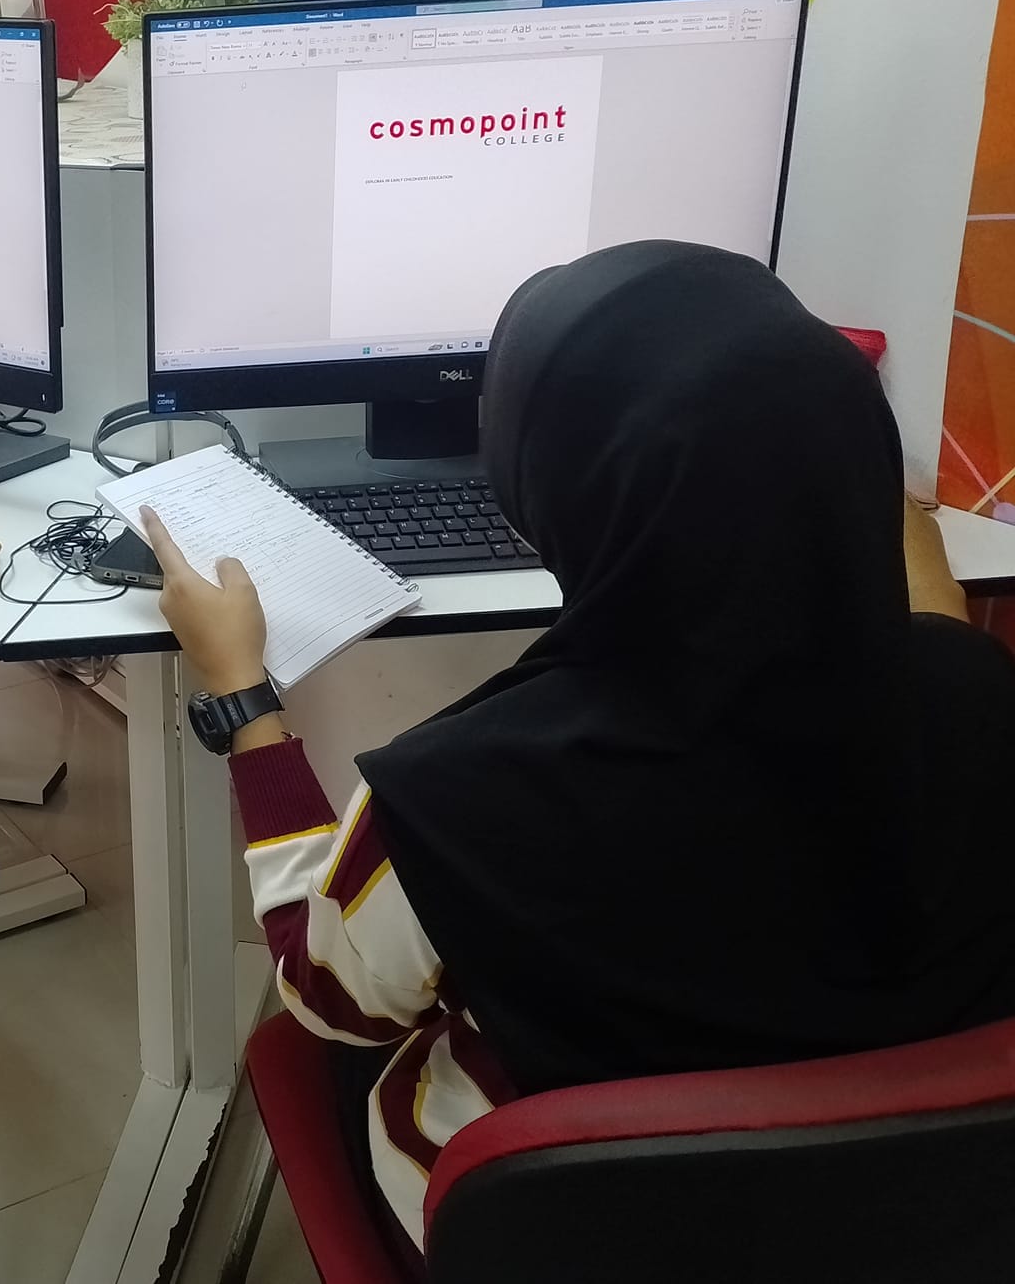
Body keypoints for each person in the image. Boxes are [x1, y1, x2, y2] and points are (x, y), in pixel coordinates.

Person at [143, 240, 1015, 1269]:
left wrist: (243, 696)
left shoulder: (455, 797)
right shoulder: (977, 697)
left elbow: (329, 996)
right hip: (907, 1231)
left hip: (560, 1240)